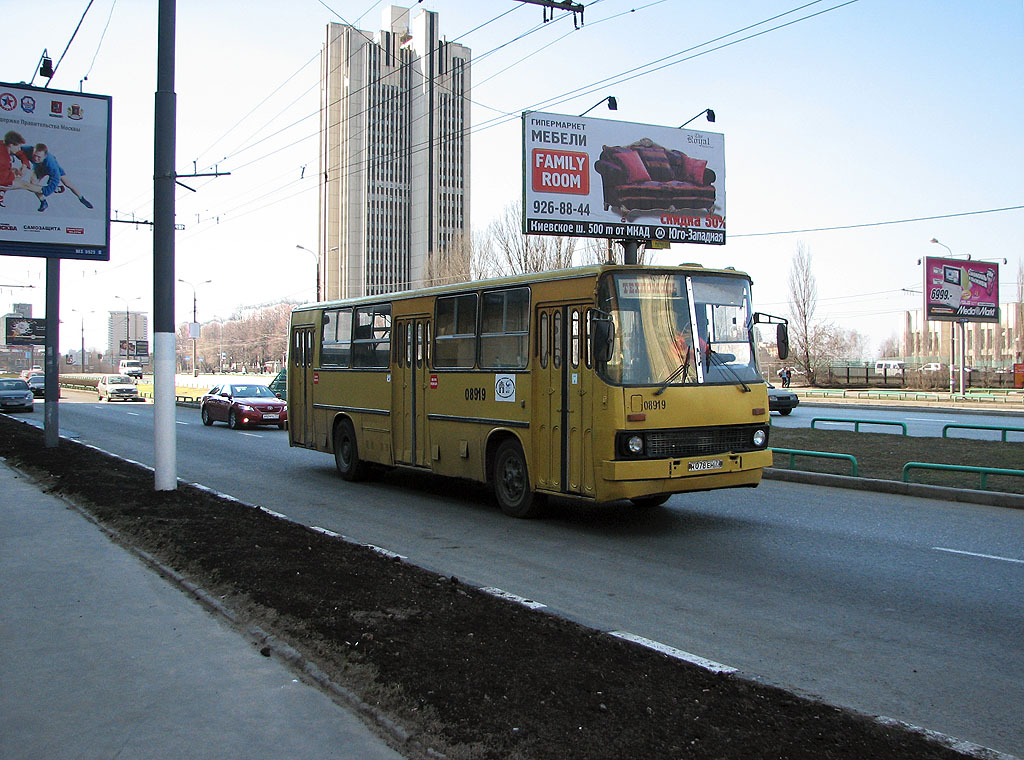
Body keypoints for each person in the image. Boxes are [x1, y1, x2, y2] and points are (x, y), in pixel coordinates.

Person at [16, 142, 93, 212]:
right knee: (32, 183)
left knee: (68, 183)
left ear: (45, 156)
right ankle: (43, 202)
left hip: (53, 170)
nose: (36, 159)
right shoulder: (28, 149)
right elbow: (16, 149)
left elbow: (55, 179)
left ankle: (81, 198)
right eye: (34, 156)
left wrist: (49, 189)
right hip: (39, 168)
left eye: (39, 157)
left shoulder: (51, 164)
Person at [0, 130, 30, 207]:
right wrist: (15, 175)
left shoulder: (3, 143)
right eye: (18, 146)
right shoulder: (4, 160)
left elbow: (21, 154)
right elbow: (3, 181)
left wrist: (24, 165)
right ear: (11, 145)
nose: (19, 149)